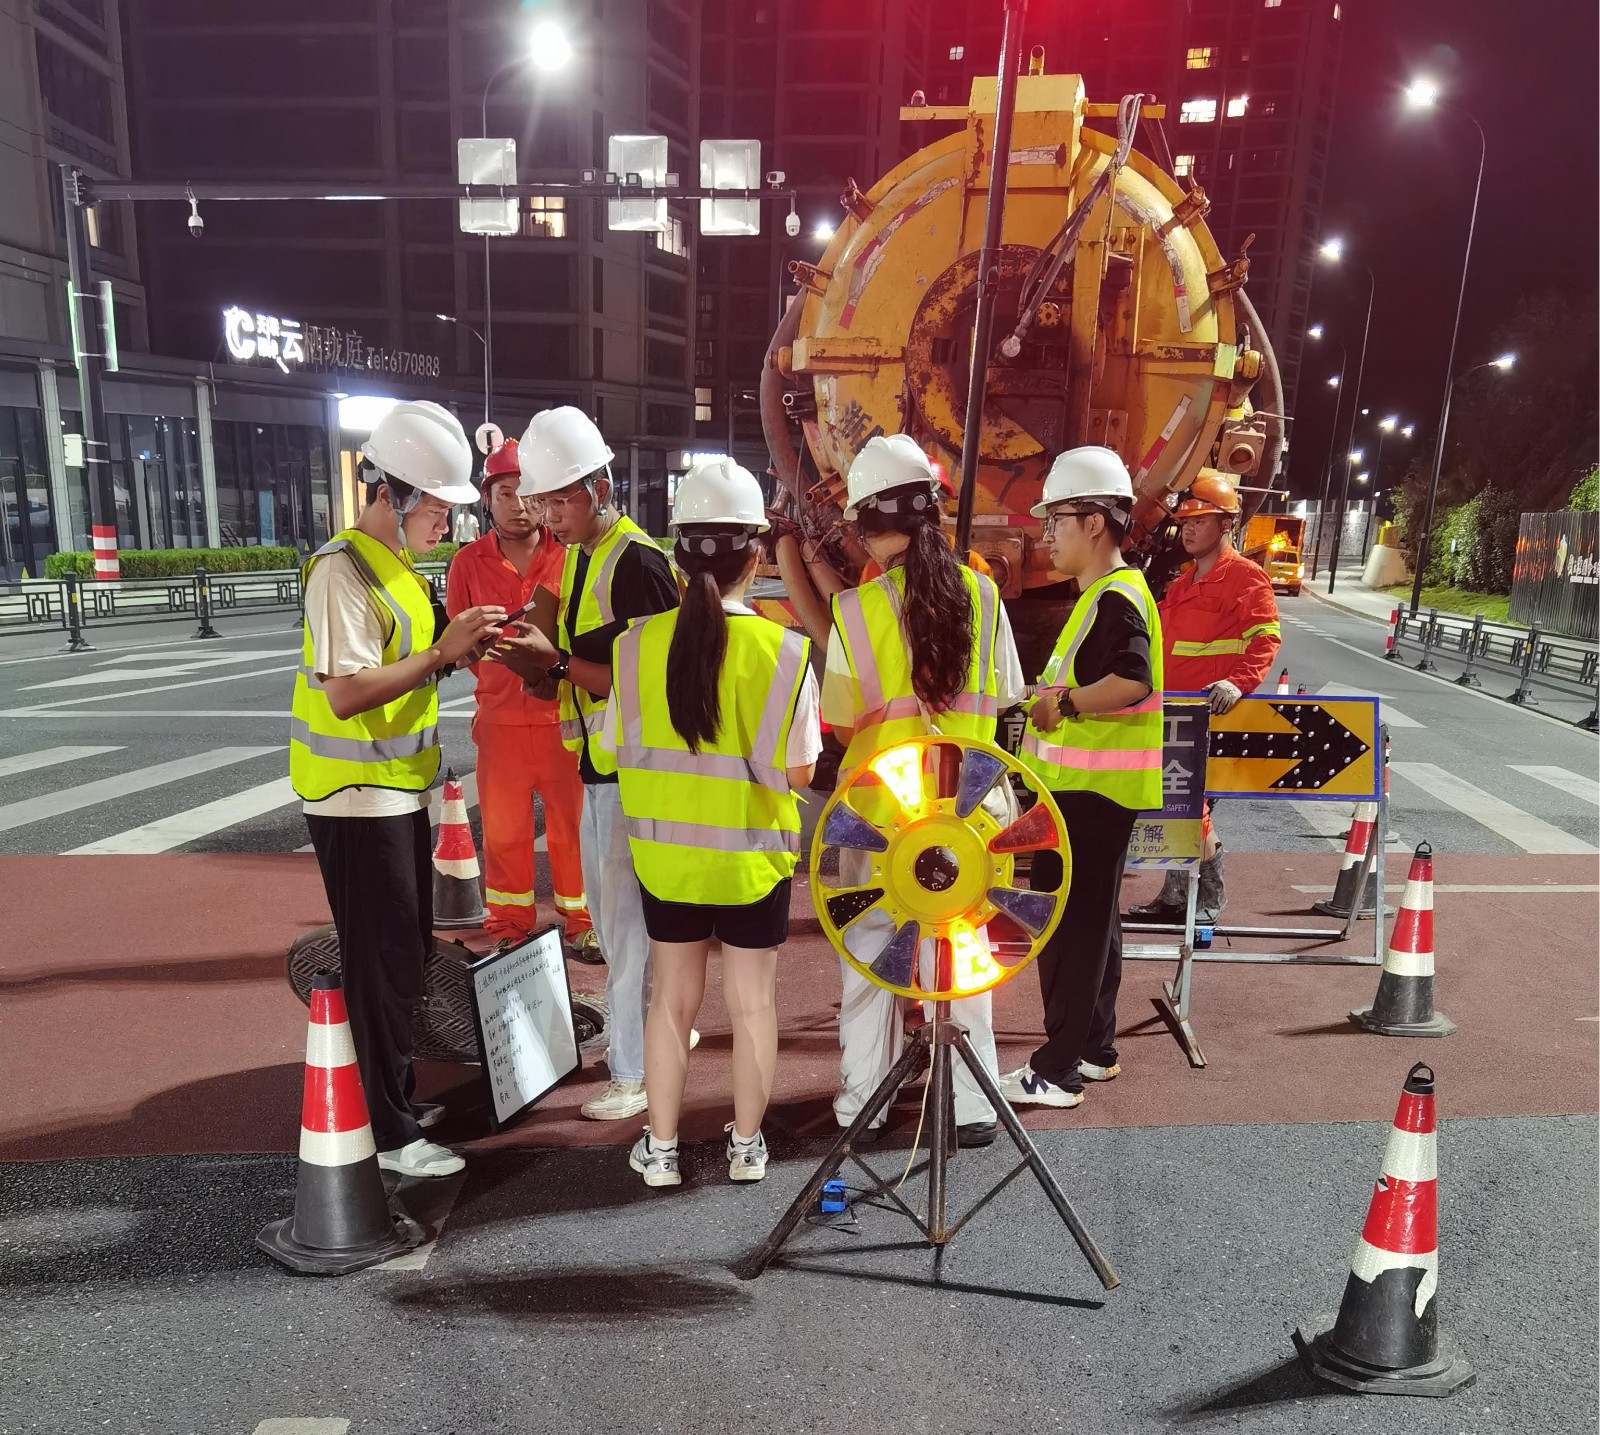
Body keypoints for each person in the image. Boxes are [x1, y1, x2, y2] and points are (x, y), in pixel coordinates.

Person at [290, 400, 505, 1177]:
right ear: (393, 493)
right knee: (381, 962)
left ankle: (396, 1105)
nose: (446, 522)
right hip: (355, 793)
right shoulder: (341, 570)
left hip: (395, 788)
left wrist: (464, 647)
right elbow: (347, 692)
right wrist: (442, 653)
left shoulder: (399, 570)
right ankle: (388, 1132)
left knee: (403, 954)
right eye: (437, 508)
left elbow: (416, 662)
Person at [592, 456, 821, 1188]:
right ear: (756, 556)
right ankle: (746, 1148)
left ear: (678, 556)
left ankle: (660, 1150)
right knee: (753, 1004)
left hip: (666, 864)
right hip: (753, 861)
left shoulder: (632, 648)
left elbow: (610, 750)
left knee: (672, 1002)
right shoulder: (786, 651)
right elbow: (800, 774)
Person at [822, 433, 1026, 1148]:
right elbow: (1007, 696)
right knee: (966, 957)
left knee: (870, 959)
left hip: (882, 821)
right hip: (971, 818)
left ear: (869, 524)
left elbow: (842, 722)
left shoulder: (855, 611)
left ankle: (865, 1102)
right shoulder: (985, 595)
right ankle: (972, 1104)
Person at [491, 406, 679, 1121]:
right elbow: (566, 657)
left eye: (559, 500)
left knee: (626, 931)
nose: (548, 516)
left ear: (600, 487)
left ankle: (633, 1073)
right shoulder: (582, 557)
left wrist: (558, 663)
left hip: (638, 773)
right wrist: (535, 657)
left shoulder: (638, 563)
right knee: (618, 924)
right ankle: (655, 1036)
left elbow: (656, 679)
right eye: (540, 502)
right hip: (602, 767)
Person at [1004, 445, 1164, 1110]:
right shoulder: (1108, 595)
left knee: (1070, 930)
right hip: (1095, 794)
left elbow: (1132, 679)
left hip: (1088, 796)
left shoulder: (1114, 598)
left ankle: (1057, 1069)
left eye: (1056, 519)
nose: (1047, 534)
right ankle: (1095, 1049)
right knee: (1095, 924)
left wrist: (1063, 703)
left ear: (1094, 522)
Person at [445, 432, 597, 957]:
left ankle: (582, 921)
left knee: (573, 829)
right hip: (500, 723)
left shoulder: (571, 555)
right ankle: (509, 925)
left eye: (528, 493)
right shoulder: (467, 563)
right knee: (504, 833)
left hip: (564, 718)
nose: (518, 505)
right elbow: (458, 641)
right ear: (487, 500)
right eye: (505, 493)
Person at [1126, 472, 1280, 923]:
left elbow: (1265, 638)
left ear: (1226, 524)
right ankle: (1177, 898)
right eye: (1185, 522)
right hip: (1174, 714)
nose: (1188, 530)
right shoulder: (1183, 582)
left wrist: (1239, 682)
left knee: (1193, 808)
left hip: (1209, 716)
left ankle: (1208, 898)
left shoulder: (1246, 578)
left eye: (1200, 521)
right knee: (1177, 807)